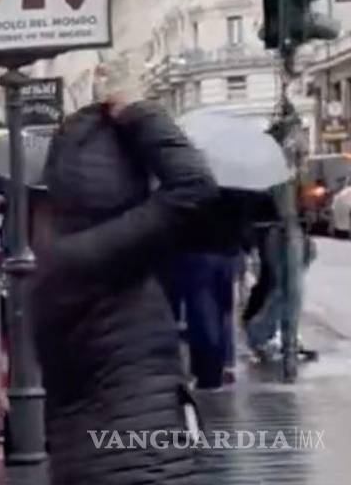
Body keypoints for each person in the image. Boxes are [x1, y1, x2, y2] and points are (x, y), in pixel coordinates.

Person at [32, 58, 218, 485]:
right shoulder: (93, 254)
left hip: (107, 460)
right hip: (135, 464)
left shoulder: (65, 255)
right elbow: (193, 187)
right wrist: (139, 111)